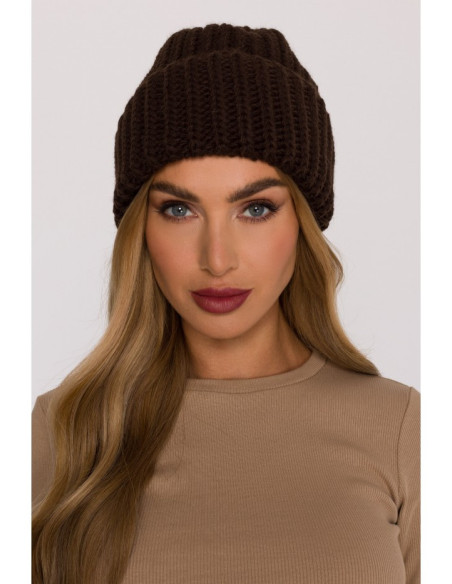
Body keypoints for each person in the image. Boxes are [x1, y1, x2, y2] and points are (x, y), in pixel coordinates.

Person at [32, 23, 420, 584]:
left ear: (303, 223)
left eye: (256, 209)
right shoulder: (62, 432)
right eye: (179, 210)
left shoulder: (402, 428)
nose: (217, 259)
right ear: (141, 229)